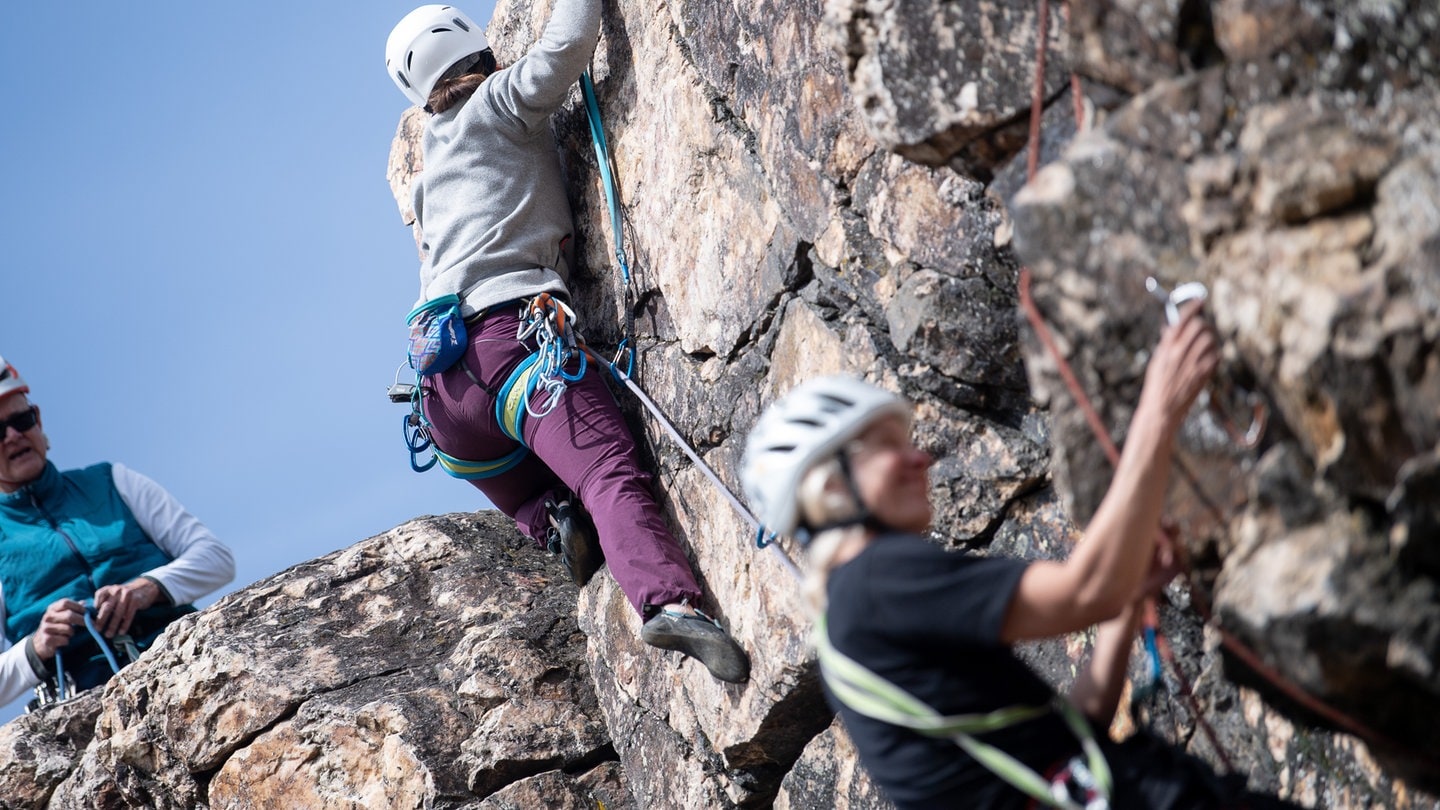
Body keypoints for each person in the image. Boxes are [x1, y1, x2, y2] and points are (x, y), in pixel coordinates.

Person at [740, 306, 1302, 808]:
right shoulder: (877, 582)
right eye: (887, 448)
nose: (920, 459)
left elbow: (1071, 732)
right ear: (832, 489)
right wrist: (1159, 407)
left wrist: (1128, 605)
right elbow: (1085, 592)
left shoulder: (854, 619)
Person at [383, 2, 747, 682]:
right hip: (514, 346)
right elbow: (570, 41)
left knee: (532, 488)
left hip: (445, 400)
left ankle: (548, 520)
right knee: (606, 467)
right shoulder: (497, 103)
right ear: (470, 47)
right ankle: (667, 601)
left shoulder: (430, 171)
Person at [0, 355, 235, 708]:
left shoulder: (115, 481)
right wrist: (36, 647)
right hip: (82, 699)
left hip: (182, 662)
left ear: (39, 420)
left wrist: (147, 588)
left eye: (22, 419)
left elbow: (217, 559)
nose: (14, 435)